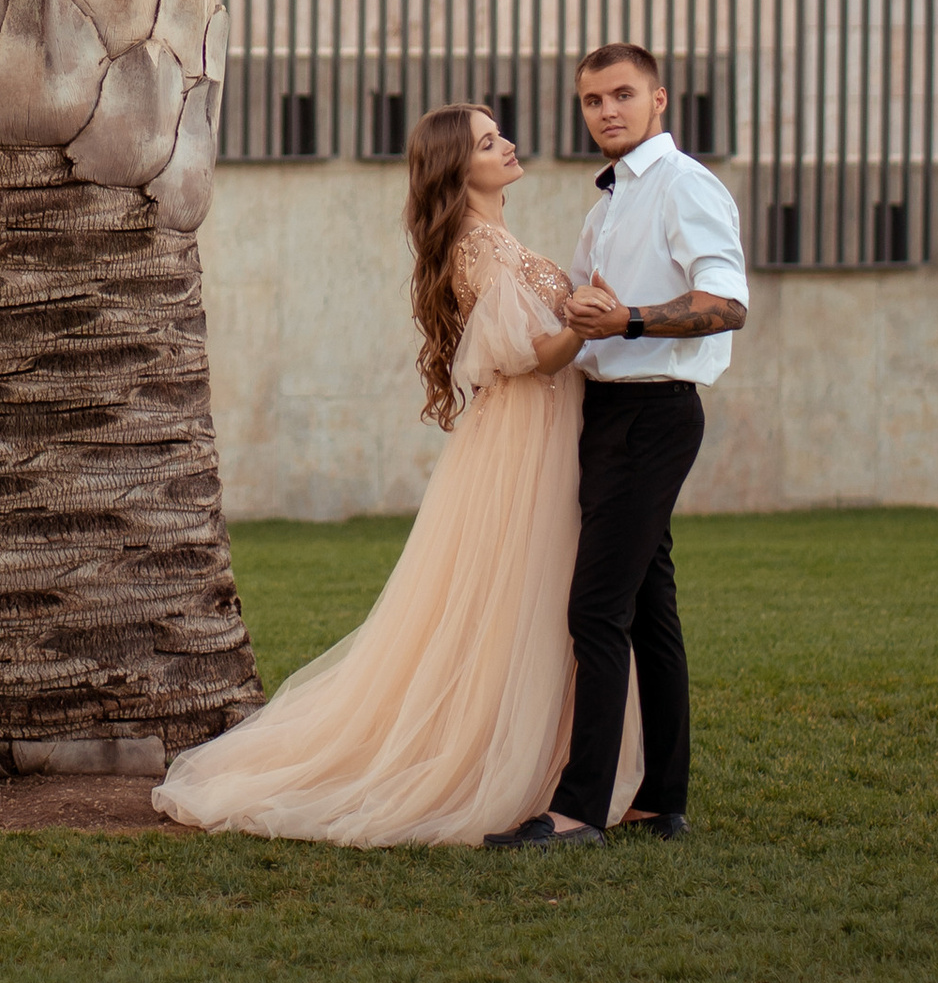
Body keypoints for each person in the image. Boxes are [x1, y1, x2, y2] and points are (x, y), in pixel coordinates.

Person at [152, 99, 642, 843]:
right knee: (524, 591)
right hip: (525, 435)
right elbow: (525, 355)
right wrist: (585, 322)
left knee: (535, 595)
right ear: (459, 167)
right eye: (487, 141)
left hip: (538, 426)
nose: (506, 145)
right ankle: (501, 756)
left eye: (499, 133)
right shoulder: (478, 246)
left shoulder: (497, 238)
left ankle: (552, 753)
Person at [484, 39, 749, 849]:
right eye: (594, 100)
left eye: (623, 96)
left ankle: (576, 811)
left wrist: (629, 318)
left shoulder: (684, 186)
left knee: (595, 609)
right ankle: (658, 801)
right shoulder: (606, 205)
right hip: (607, 416)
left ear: (658, 100)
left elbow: (727, 304)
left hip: (654, 413)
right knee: (645, 614)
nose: (608, 111)